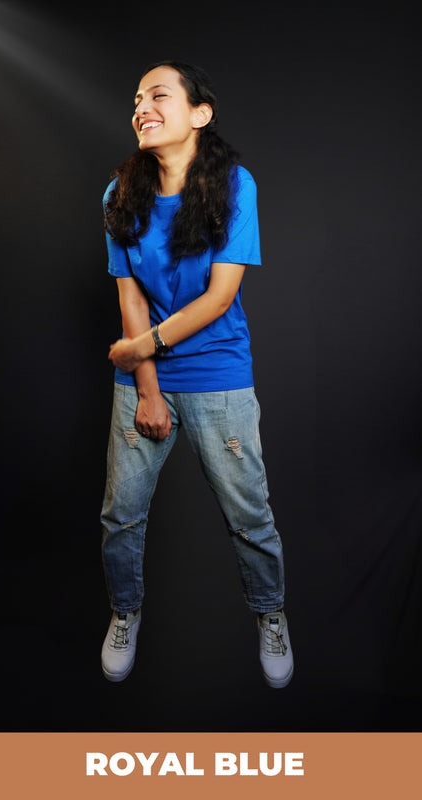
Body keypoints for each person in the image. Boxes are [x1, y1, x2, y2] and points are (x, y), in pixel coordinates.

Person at [100, 60, 293, 688]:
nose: (141, 107)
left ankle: (270, 614)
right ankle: (124, 612)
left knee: (249, 515)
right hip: (145, 377)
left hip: (219, 375)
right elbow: (129, 295)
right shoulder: (118, 194)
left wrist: (137, 349)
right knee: (120, 515)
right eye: (136, 99)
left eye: (157, 95)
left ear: (199, 114)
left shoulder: (236, 186)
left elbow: (217, 298)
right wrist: (145, 384)